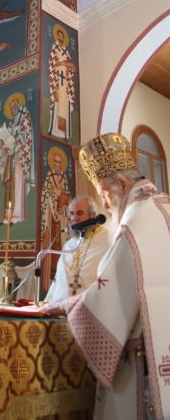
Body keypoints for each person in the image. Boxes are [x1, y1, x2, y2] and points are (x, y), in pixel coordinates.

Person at [38, 133, 170, 419]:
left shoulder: (133, 224)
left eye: (105, 195)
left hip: (145, 360)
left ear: (122, 183)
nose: (106, 205)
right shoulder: (163, 207)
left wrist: (62, 306)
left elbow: (108, 295)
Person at [44, 196, 115, 301]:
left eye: (79, 213)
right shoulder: (69, 245)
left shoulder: (107, 240)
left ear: (93, 215)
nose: (75, 218)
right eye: (72, 214)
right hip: (62, 305)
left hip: (91, 304)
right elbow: (59, 280)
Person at [0, 93, 34, 224]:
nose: (13, 110)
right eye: (11, 108)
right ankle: (8, 214)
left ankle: (17, 214)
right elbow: (7, 141)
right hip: (11, 157)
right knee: (9, 185)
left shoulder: (24, 119)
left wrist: (17, 141)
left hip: (20, 157)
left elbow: (26, 134)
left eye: (14, 107)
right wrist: (4, 136)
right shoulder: (12, 123)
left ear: (18, 107)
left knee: (17, 184)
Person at [40, 146, 71, 289]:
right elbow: (44, 193)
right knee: (51, 240)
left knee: (62, 241)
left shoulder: (64, 177)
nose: (58, 165)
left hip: (62, 215)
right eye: (56, 162)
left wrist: (64, 198)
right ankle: (49, 276)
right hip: (51, 214)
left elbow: (67, 193)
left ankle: (61, 276)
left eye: (60, 163)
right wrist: (52, 195)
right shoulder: (49, 175)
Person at [47, 24, 76, 139]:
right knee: (57, 102)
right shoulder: (55, 48)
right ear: (56, 36)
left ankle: (65, 133)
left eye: (62, 36)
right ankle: (53, 129)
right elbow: (52, 62)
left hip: (66, 82)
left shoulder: (66, 51)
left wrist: (64, 63)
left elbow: (73, 67)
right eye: (59, 35)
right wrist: (60, 65)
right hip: (57, 80)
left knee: (66, 104)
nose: (60, 38)